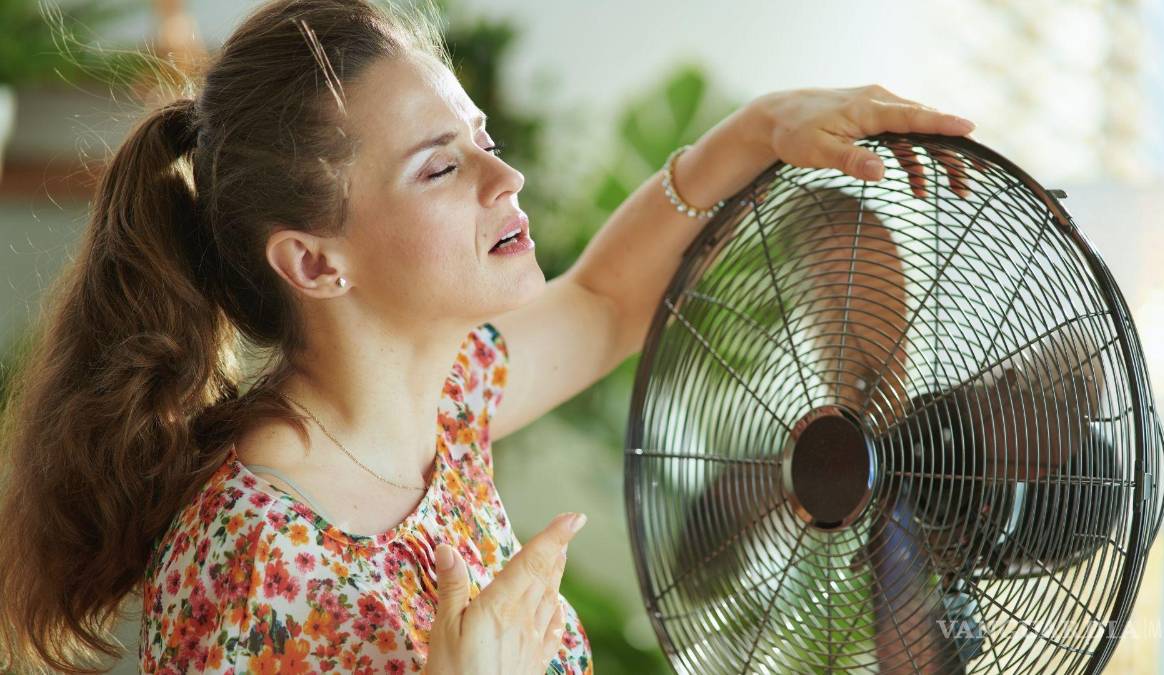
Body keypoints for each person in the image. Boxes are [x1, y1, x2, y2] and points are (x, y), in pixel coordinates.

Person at [0, 0, 977, 672]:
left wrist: (761, 129)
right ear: (314, 262)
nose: (503, 179)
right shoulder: (252, 556)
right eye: (440, 167)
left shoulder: (446, 398)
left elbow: (606, 301)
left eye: (484, 141)